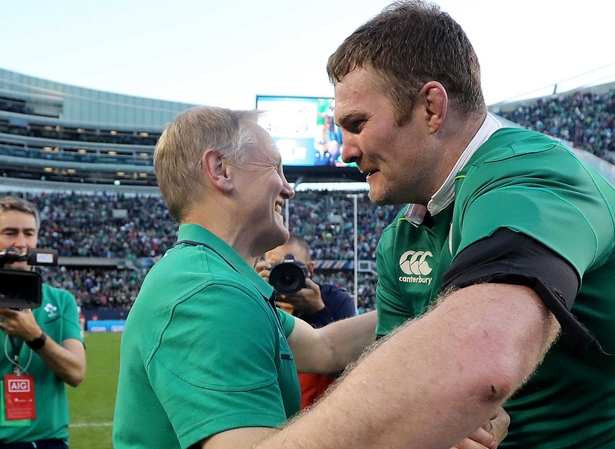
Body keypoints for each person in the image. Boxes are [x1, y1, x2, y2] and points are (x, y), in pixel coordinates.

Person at [277, 1, 615, 447]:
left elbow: (481, 365)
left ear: (432, 108)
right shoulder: (403, 234)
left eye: (356, 124)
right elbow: (412, 374)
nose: (344, 151)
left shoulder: (532, 176)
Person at [113, 106, 503, 449]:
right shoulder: (207, 293)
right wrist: (418, 432)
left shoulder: (214, 279)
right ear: (221, 170)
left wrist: (437, 307)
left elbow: (324, 347)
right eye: (275, 168)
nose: (288, 188)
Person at [0, 196, 85, 449]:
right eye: (9, 233)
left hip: (49, 442)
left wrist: (35, 337)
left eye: (29, 233)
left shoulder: (61, 301)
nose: (21, 243)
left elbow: (77, 372)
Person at [256, 232, 356, 408]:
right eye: (276, 267)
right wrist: (253, 289)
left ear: (309, 269)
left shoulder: (334, 301)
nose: (285, 275)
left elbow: (350, 371)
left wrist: (318, 311)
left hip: (320, 410)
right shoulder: (256, 299)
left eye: (293, 267)